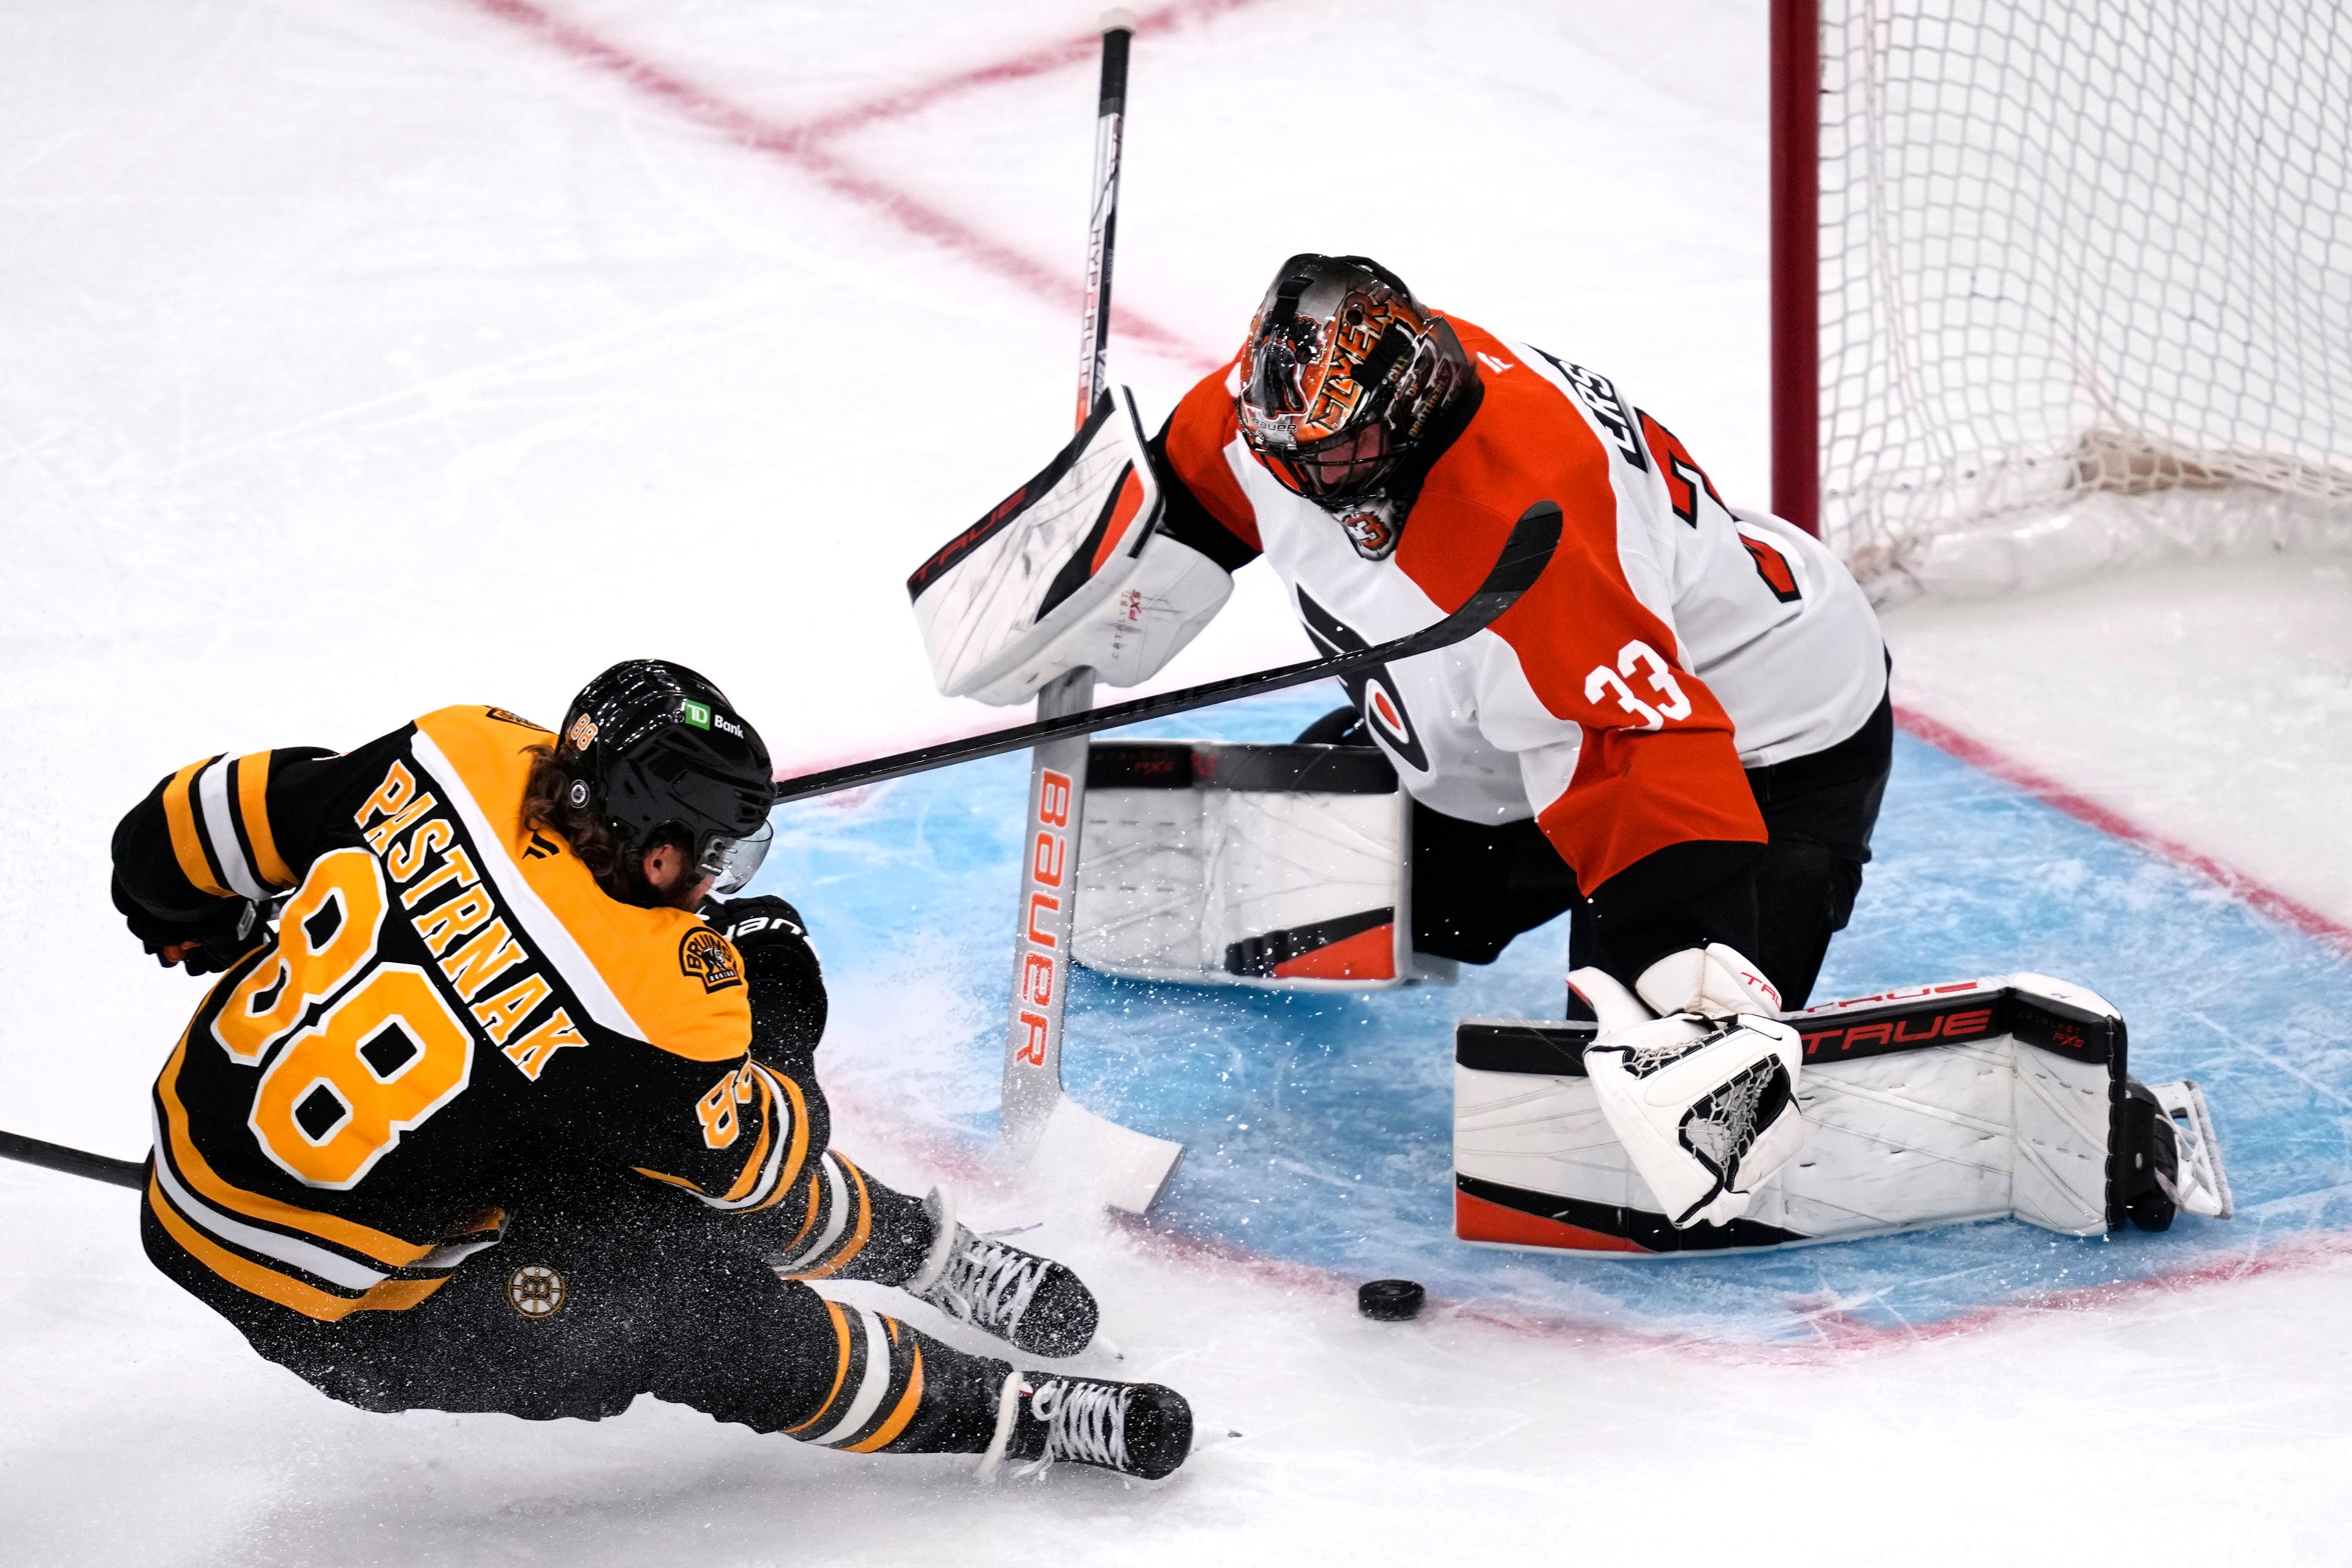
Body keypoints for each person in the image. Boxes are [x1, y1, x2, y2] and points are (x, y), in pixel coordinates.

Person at [111, 658, 1191, 1480]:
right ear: (651, 841)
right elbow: (768, 1152)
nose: (717, 884)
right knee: (679, 1300)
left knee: (610, 1141)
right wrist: (780, 981)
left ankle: (928, 1256)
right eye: (716, 858)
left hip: (199, 1173)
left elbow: (178, 832)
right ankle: (1007, 1410)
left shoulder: (455, 753)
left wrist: (188, 922)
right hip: (354, 1317)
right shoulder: (646, 998)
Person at [1144, 253, 1890, 1020]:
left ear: (1410, 402)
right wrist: (1067, 571)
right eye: (1293, 456)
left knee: (1651, 1043)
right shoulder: (1304, 407)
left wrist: (1685, 963)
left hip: (1759, 747)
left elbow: (1636, 742)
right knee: (1314, 881)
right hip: (1540, 726)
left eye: (1339, 452)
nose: (1313, 478)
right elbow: (1180, 487)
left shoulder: (1534, 523)